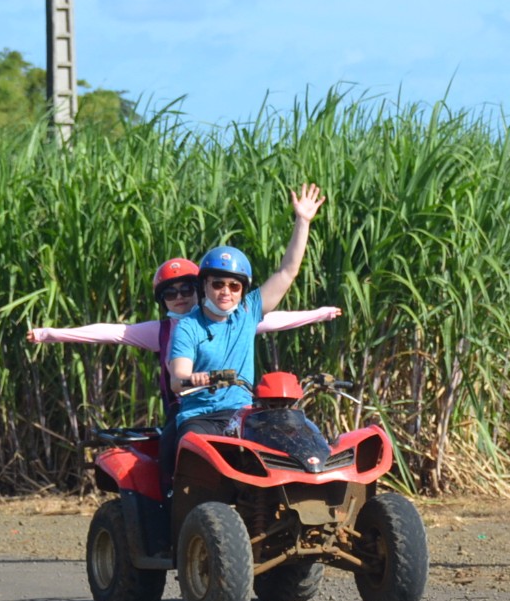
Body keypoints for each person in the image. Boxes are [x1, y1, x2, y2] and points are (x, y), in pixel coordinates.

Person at [27, 256, 341, 423]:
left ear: (200, 288)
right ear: (162, 300)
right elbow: (107, 332)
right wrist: (47, 334)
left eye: (185, 290)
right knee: (169, 457)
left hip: (234, 406)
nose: (179, 298)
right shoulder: (160, 331)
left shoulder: (231, 317)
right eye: (169, 293)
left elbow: (276, 319)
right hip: (186, 407)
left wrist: (323, 313)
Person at [161, 183, 327, 483]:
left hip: (244, 415)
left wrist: (303, 221)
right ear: (205, 286)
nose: (226, 291)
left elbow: (287, 272)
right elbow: (177, 378)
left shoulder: (247, 313)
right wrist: (193, 379)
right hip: (202, 417)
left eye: (234, 286)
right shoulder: (188, 326)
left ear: (242, 291)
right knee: (192, 461)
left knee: (288, 451)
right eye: (218, 284)